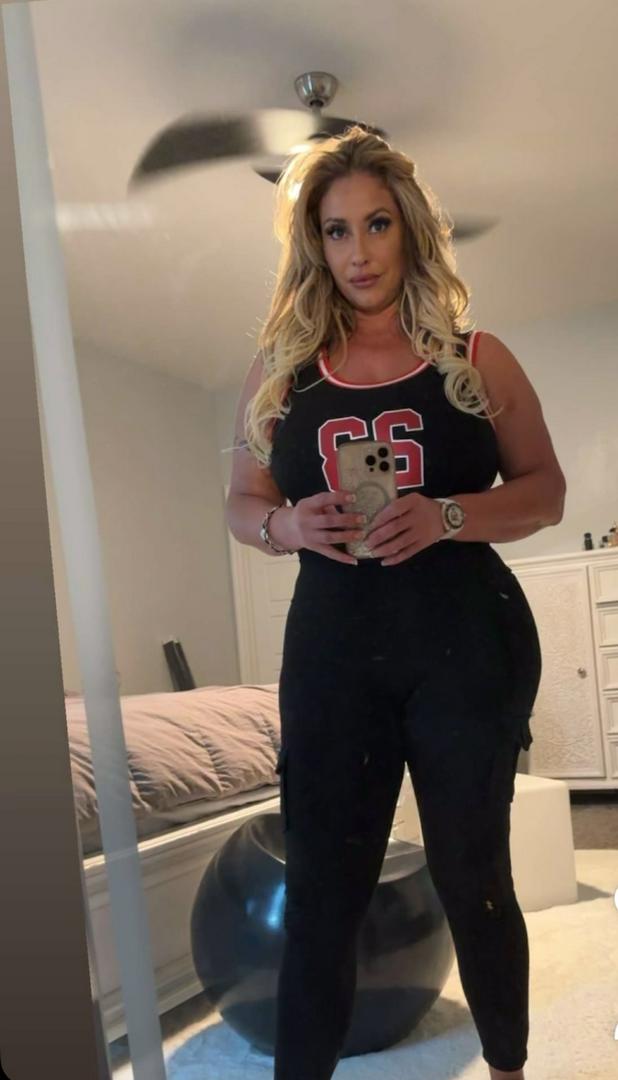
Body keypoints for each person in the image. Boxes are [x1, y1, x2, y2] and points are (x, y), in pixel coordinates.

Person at [225, 125, 566, 1080]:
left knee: (475, 875)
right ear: (314, 245)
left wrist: (448, 513)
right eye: (336, 231)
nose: (359, 252)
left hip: (468, 646)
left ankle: (509, 1068)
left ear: (409, 228)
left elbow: (545, 492)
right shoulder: (279, 371)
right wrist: (287, 525)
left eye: (376, 224)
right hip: (334, 655)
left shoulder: (476, 356)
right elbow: (240, 503)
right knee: (323, 893)